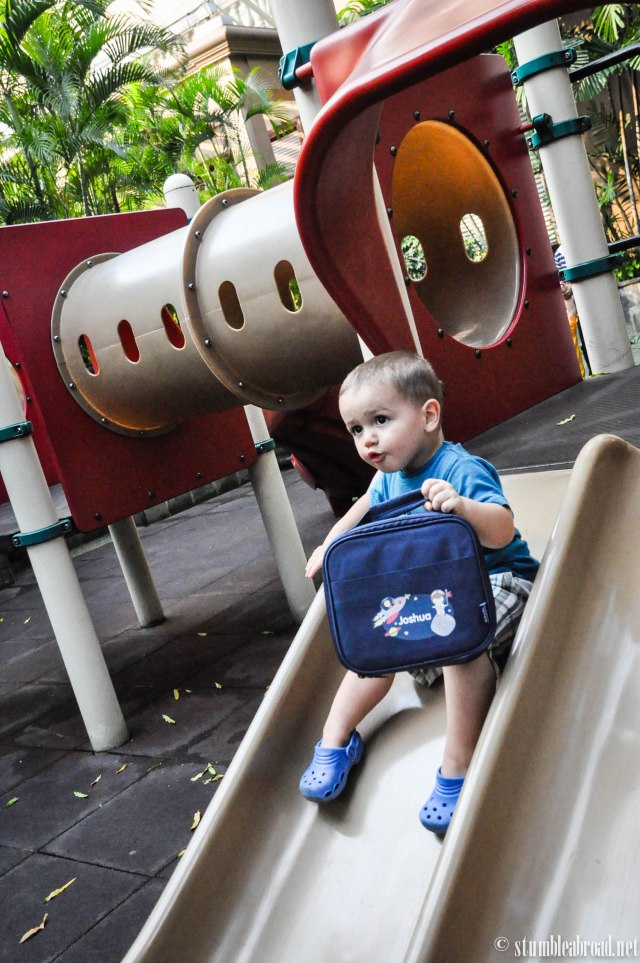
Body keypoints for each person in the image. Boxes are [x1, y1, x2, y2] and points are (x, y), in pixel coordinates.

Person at [298, 350, 539, 834]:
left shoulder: (460, 469)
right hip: (433, 597)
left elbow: (503, 531)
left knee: (460, 649)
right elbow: (364, 507)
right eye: (355, 429)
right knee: (371, 643)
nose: (367, 439)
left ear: (429, 415)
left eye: (380, 420)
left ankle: (459, 763)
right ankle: (336, 739)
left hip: (496, 584)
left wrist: (463, 509)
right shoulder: (386, 479)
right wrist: (331, 543)